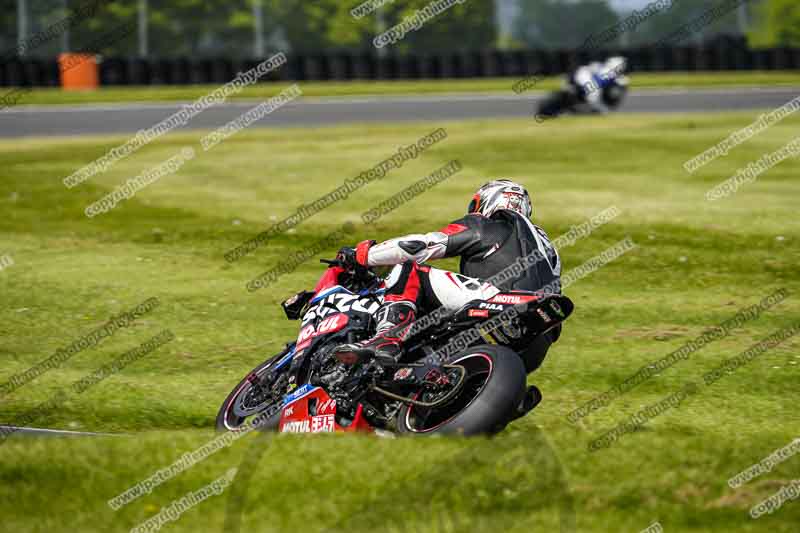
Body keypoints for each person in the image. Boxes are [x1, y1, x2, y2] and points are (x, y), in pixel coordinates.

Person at [334, 179, 562, 373]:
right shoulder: (548, 248)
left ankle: (386, 338)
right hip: (536, 345)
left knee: (409, 268)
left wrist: (363, 255)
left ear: (489, 201)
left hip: (499, 301)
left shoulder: (490, 223)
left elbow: (418, 246)